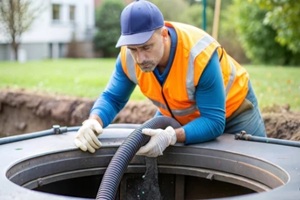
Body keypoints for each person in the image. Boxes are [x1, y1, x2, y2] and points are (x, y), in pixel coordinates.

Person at [74, 0, 266, 156]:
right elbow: (112, 97)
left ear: (164, 34)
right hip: (180, 114)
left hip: (235, 113)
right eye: (133, 49)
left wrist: (171, 136)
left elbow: (214, 122)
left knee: (257, 164)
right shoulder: (128, 56)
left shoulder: (198, 55)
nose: (140, 58)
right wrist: (93, 121)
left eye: (147, 47)